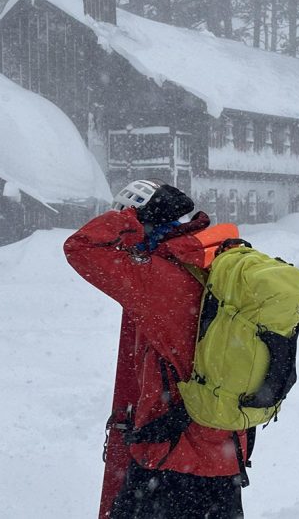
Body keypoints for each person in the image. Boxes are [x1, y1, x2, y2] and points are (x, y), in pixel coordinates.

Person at [64, 180, 245, 519]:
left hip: (170, 454)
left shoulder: (158, 276)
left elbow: (81, 247)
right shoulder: (221, 264)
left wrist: (129, 217)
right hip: (225, 451)